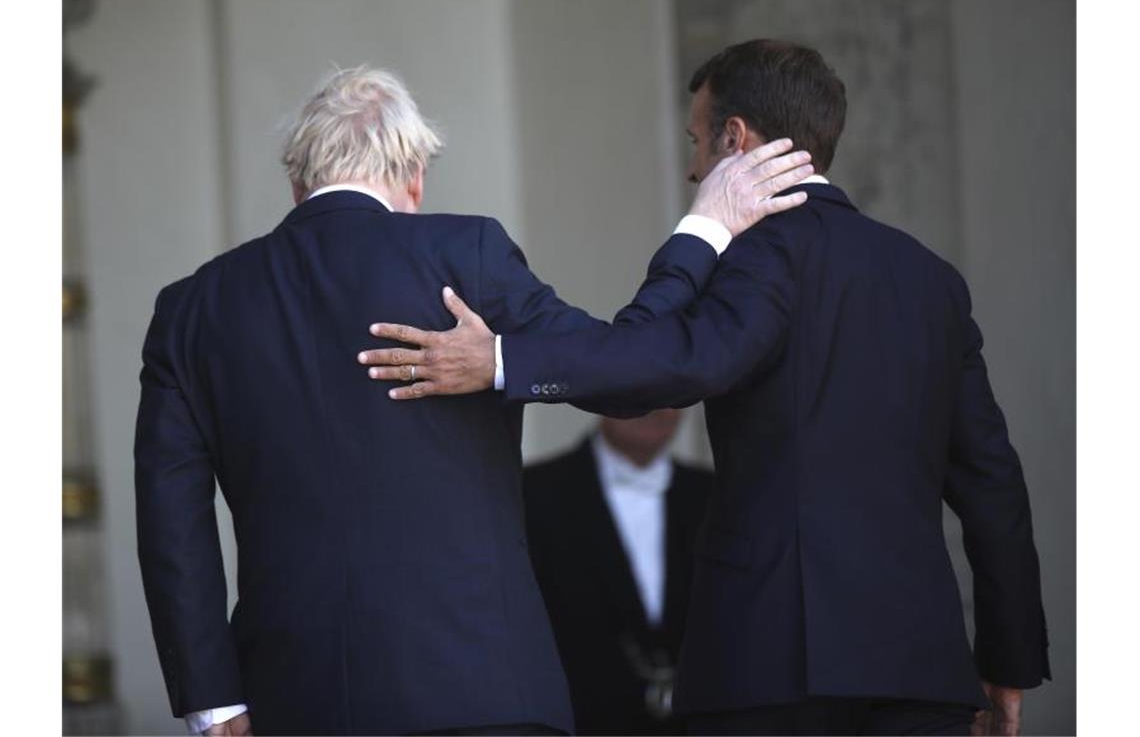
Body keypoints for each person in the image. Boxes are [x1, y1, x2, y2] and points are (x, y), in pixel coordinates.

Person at [360, 40, 1051, 736]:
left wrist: (505, 357)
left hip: (771, 668)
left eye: (696, 141)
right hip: (920, 671)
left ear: (735, 138)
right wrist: (1009, 656)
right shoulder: (931, 280)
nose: (693, 167)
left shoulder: (755, 255)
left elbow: (660, 365)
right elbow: (992, 482)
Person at [133, 65, 813, 735]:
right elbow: (632, 375)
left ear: (297, 181)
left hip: (293, 701)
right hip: (482, 694)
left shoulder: (193, 309)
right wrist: (706, 230)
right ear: (414, 177)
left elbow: (172, 523)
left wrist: (213, 703)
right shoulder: (466, 254)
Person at [523, 409, 712, 735]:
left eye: (669, 393)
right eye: (639, 390)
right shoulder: (533, 492)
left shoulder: (715, 494)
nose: (654, 407)